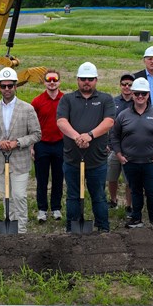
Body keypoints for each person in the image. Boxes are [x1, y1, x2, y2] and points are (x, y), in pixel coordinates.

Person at [56, 61, 117, 232]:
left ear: (96, 80)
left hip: (96, 160)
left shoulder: (106, 99)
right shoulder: (67, 99)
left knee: (98, 196)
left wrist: (90, 135)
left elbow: (109, 122)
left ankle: (103, 228)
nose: (86, 82)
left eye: (90, 79)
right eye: (83, 79)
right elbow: (61, 122)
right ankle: (72, 228)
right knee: (73, 196)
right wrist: (77, 137)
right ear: (77, 80)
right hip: (72, 158)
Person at [0, 66, 41, 234]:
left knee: (19, 196)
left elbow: (36, 134)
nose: (7, 89)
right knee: (7, 197)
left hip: (20, 161)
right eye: (3, 86)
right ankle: (10, 229)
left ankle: (21, 231)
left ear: (15, 86)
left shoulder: (27, 109)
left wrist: (18, 142)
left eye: (10, 85)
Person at [111, 77, 153, 227]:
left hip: (151, 163)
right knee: (135, 191)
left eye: (143, 93)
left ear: (148, 95)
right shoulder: (123, 115)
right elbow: (114, 136)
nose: (140, 97)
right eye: (137, 94)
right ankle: (136, 218)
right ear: (133, 95)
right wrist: (119, 155)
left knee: (152, 193)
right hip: (131, 162)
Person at [31, 68, 64, 222]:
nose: (52, 83)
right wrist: (32, 146)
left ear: (59, 82)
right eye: (49, 80)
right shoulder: (37, 102)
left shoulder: (65, 100)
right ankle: (42, 209)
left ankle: (56, 208)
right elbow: (31, 125)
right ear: (44, 82)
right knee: (42, 179)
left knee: (58, 177)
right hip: (42, 144)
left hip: (60, 144)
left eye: (55, 80)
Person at [107, 73, 135, 210]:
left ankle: (129, 205)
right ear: (120, 86)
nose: (127, 87)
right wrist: (107, 143)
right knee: (112, 177)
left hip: (130, 148)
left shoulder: (138, 102)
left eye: (130, 84)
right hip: (113, 147)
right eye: (124, 84)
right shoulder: (113, 102)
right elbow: (108, 123)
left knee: (128, 180)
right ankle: (113, 200)